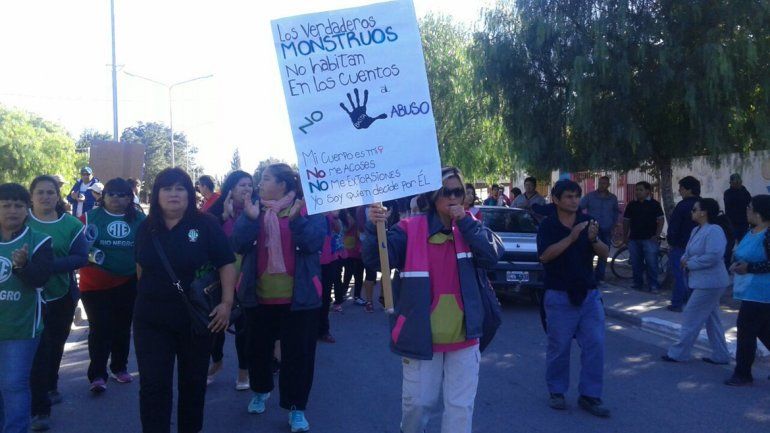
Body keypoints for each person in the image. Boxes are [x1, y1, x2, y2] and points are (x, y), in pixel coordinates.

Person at [363, 166, 503, 433]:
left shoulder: (471, 226)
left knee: (460, 408)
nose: (453, 197)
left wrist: (466, 223)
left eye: (458, 191)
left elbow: (492, 255)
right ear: (432, 195)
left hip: (466, 337)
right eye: (446, 191)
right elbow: (377, 260)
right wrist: (373, 228)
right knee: (418, 405)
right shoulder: (408, 228)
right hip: (420, 336)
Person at [133, 167, 236, 432]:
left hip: (196, 320)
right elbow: (140, 268)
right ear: (157, 195)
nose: (173, 194)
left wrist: (226, 304)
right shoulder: (146, 227)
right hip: (151, 320)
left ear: (190, 194)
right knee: (154, 385)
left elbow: (226, 264)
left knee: (192, 384)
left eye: (180, 188)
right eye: (167, 188)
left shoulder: (206, 224)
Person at [231, 163, 325, 432]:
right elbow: (237, 244)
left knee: (299, 357)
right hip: (258, 299)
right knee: (257, 351)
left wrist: (297, 221)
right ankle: (261, 390)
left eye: (266, 179)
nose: (259, 184)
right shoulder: (254, 210)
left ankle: (296, 408)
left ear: (283, 184)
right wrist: (249, 219)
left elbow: (314, 243)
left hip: (300, 300)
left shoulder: (307, 207)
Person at [537, 180, 610, 418]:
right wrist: (571, 238)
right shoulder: (548, 225)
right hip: (558, 294)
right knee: (559, 347)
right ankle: (557, 391)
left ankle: (590, 395)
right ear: (556, 200)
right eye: (568, 197)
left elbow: (605, 253)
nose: (573, 201)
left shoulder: (589, 223)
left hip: (588, 294)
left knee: (595, 344)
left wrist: (592, 239)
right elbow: (545, 257)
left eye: (576, 196)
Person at [27, 176, 89, 431]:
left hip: (61, 295)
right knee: (36, 350)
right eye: (40, 192)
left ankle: (51, 383)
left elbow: (81, 257)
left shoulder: (72, 225)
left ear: (57, 196)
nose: (45, 197)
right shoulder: (19, 219)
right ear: (31, 196)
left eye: (50, 192)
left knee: (55, 345)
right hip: (27, 298)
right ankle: (38, 403)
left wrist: (46, 268)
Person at [79, 178, 145, 393]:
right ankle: (97, 375)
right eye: (112, 194)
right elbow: (75, 247)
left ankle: (119, 367)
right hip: (95, 284)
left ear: (130, 198)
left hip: (128, 282)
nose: (117, 199)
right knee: (100, 328)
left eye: (123, 195)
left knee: (122, 328)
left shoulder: (140, 219)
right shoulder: (89, 218)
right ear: (103, 196)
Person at [0, 183, 53, 433]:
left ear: (27, 208)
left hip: (21, 328)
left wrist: (22, 266)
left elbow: (41, 279)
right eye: (6, 205)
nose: (12, 210)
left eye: (18, 205)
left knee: (14, 385)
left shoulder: (40, 241)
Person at [661, 198, 731, 365]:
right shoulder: (696, 230)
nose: (691, 212)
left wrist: (691, 264)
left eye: (694, 209)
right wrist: (685, 259)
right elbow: (688, 251)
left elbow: (713, 256)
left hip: (711, 282)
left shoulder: (714, 230)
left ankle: (679, 353)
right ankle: (721, 355)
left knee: (691, 316)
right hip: (701, 281)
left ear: (703, 212)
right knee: (712, 320)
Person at [205, 170, 255, 389]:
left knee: (244, 328)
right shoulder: (214, 211)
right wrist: (223, 217)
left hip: (248, 277)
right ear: (231, 189)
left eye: (250, 185)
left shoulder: (257, 210)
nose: (247, 189)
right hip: (218, 280)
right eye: (242, 185)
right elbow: (202, 239)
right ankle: (217, 362)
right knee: (215, 327)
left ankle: (244, 371)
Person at [725, 195, 770, 386]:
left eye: (750, 207)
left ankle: (742, 373)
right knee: (764, 331)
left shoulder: (768, 234)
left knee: (746, 332)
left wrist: (748, 268)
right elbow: (742, 253)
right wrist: (735, 264)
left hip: (762, 292)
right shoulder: (751, 231)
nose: (747, 210)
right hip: (749, 290)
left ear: (759, 212)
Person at [623, 182, 665, 293]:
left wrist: (657, 235)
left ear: (647, 191)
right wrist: (625, 235)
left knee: (652, 263)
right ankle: (638, 283)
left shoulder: (654, 204)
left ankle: (653, 285)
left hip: (650, 239)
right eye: (637, 190)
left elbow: (661, 220)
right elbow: (626, 221)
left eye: (640, 190)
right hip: (634, 238)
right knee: (636, 263)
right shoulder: (631, 204)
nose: (637, 192)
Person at [667, 176, 701, 312]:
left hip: (681, 246)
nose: (679, 191)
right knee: (695, 276)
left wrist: (671, 241)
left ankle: (677, 303)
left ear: (688, 189)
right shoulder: (704, 204)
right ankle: (693, 302)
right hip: (699, 247)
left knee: (680, 276)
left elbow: (674, 227)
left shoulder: (682, 206)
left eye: (681, 188)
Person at [580, 176, 619, 283]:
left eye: (604, 183)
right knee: (590, 253)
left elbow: (616, 212)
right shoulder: (590, 196)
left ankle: (599, 278)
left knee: (603, 254)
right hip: (592, 229)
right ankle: (588, 275)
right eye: (600, 183)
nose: (602, 185)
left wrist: (614, 224)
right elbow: (579, 207)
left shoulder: (613, 198)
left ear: (608, 185)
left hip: (607, 229)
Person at [320, 210, 345, 339]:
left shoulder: (328, 212)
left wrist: (333, 216)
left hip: (329, 259)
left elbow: (338, 228)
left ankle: (324, 330)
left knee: (325, 297)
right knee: (312, 297)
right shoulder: (302, 208)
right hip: (311, 260)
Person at [724, 173, 752, 242]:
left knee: (743, 242)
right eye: (735, 182)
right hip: (732, 222)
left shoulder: (745, 191)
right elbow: (732, 202)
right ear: (730, 183)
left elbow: (749, 203)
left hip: (744, 222)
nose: (737, 184)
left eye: (739, 182)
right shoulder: (728, 193)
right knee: (731, 242)